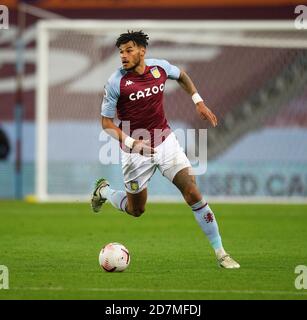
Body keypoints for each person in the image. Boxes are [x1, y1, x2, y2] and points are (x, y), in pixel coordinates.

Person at [91, 30, 240, 269]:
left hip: (165, 141)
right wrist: (132, 143)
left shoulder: (159, 69)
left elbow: (181, 75)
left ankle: (221, 253)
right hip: (134, 151)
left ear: (142, 51)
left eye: (129, 50)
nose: (123, 56)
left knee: (192, 191)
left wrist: (198, 101)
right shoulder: (116, 82)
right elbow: (106, 123)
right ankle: (104, 191)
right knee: (136, 209)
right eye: (120, 52)